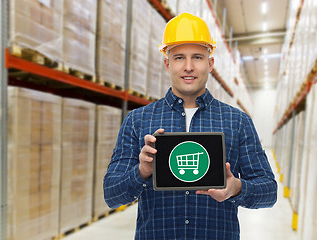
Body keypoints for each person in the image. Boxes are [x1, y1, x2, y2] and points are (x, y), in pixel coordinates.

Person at [103, 13, 277, 239]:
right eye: (178, 58)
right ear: (167, 63)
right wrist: (142, 171)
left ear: (210, 63)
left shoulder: (238, 122)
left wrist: (237, 188)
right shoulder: (138, 120)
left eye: (197, 57)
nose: (188, 67)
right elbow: (111, 195)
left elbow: (269, 191)